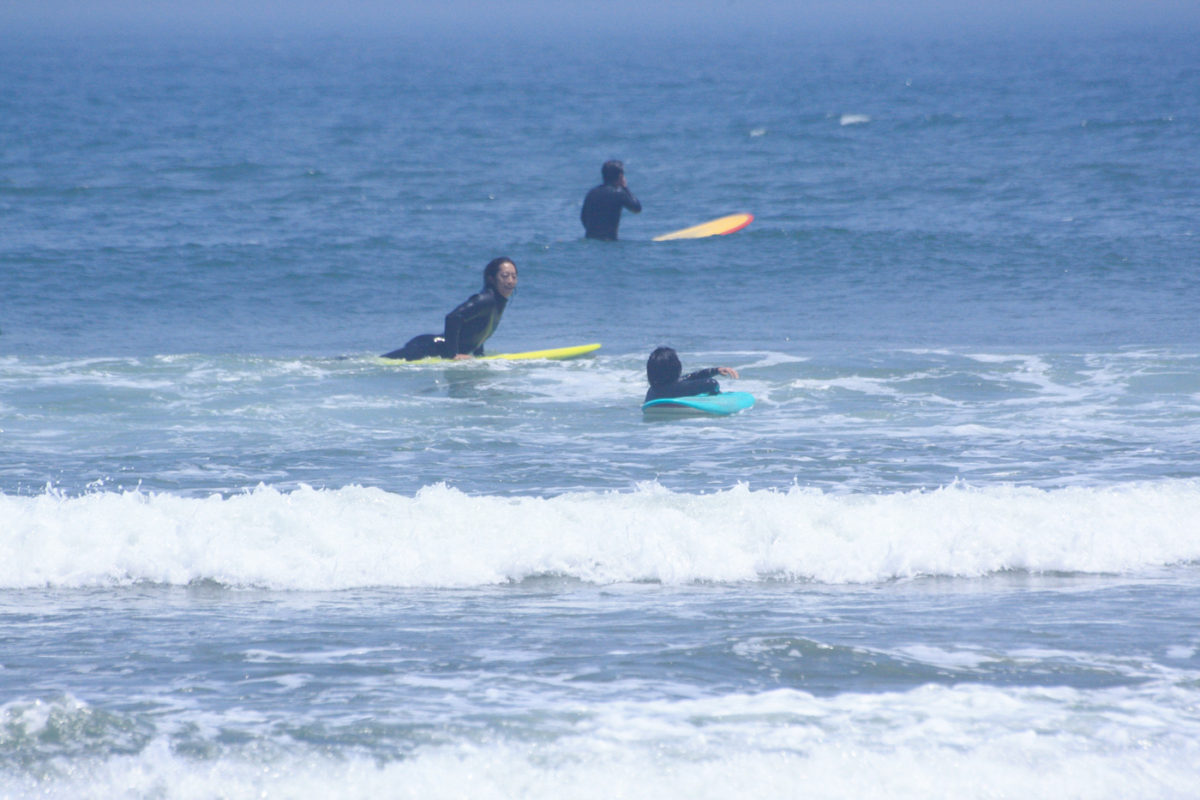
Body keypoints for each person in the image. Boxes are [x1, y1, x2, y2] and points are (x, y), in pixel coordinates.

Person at [383, 257, 518, 360]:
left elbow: (479, 329)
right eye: (505, 276)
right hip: (428, 348)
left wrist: (479, 356)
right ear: (491, 279)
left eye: (514, 276)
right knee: (382, 362)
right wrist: (453, 355)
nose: (510, 281)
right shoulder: (485, 300)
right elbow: (453, 317)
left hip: (434, 347)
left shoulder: (497, 302)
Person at [644, 346, 739, 402]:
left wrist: (715, 370)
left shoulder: (653, 390)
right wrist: (716, 394)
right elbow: (711, 383)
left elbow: (688, 378)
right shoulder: (678, 388)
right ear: (675, 367)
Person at [581, 160, 642, 240]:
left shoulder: (591, 193)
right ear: (620, 176)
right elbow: (637, 208)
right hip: (609, 242)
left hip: (590, 240)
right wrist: (625, 187)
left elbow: (583, 217)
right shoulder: (619, 193)